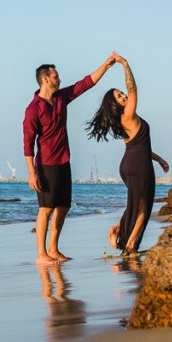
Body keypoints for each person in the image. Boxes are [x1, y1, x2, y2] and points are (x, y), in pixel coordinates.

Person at [23, 56, 116, 264]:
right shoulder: (33, 109)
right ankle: (41, 254)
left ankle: (53, 249)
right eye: (56, 76)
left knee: (63, 206)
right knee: (45, 209)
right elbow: (27, 143)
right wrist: (32, 172)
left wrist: (106, 66)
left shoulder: (60, 98)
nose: (60, 79)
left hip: (64, 161)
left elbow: (85, 84)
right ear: (46, 79)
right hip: (45, 164)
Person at [86, 53, 169, 255]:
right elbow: (133, 88)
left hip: (131, 163)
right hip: (138, 165)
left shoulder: (123, 122)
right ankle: (130, 245)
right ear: (116, 105)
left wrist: (158, 159)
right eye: (119, 96)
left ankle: (118, 231)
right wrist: (125, 64)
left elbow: (139, 146)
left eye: (122, 94)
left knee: (136, 202)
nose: (124, 96)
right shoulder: (128, 114)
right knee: (144, 206)